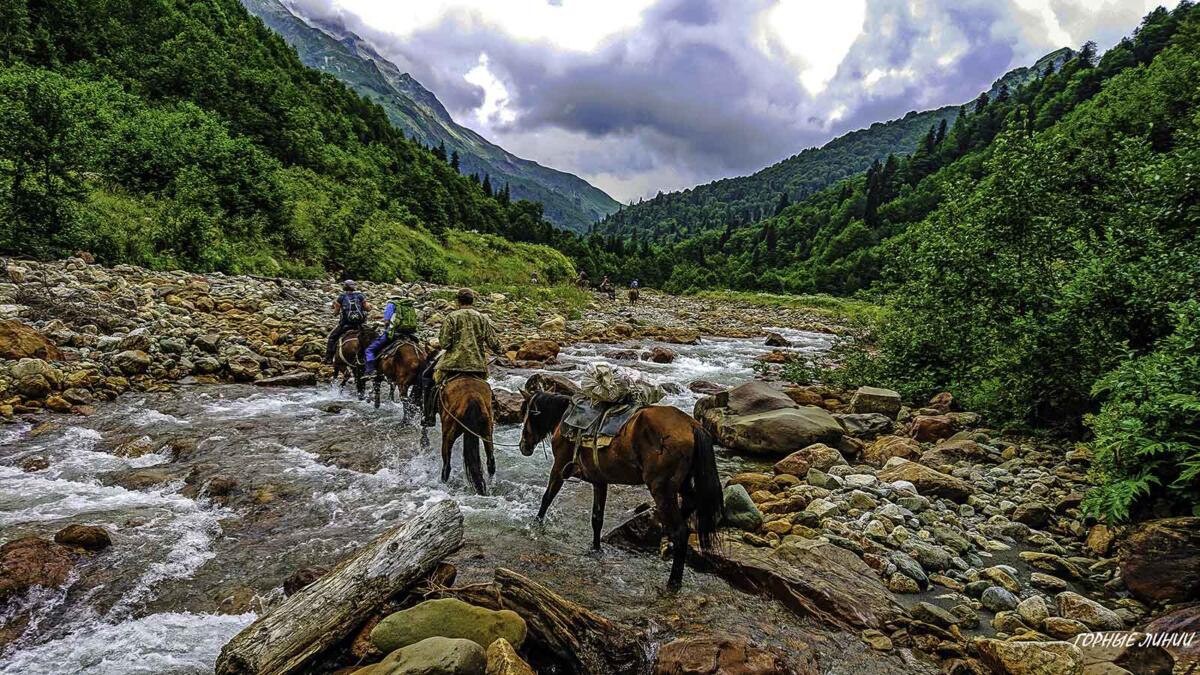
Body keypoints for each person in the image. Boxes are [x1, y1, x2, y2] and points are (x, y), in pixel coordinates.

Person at [422, 288, 503, 426]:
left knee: (427, 377)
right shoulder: (482, 318)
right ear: (473, 301)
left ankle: (428, 416)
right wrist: (501, 350)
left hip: (452, 364)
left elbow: (445, 344)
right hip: (477, 366)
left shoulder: (452, 317)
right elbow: (493, 343)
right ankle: (490, 420)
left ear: (458, 301)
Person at [364, 296, 419, 375]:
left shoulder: (391, 304)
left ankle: (370, 370)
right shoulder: (409, 305)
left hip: (394, 333)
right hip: (409, 334)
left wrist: (385, 326)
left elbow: (387, 321)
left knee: (370, 350)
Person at [325, 280, 370, 363]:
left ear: (344, 287)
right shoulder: (360, 296)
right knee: (371, 337)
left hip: (345, 325)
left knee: (332, 337)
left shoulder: (341, 297)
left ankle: (328, 358)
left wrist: (334, 313)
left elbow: (336, 312)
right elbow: (368, 308)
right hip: (360, 325)